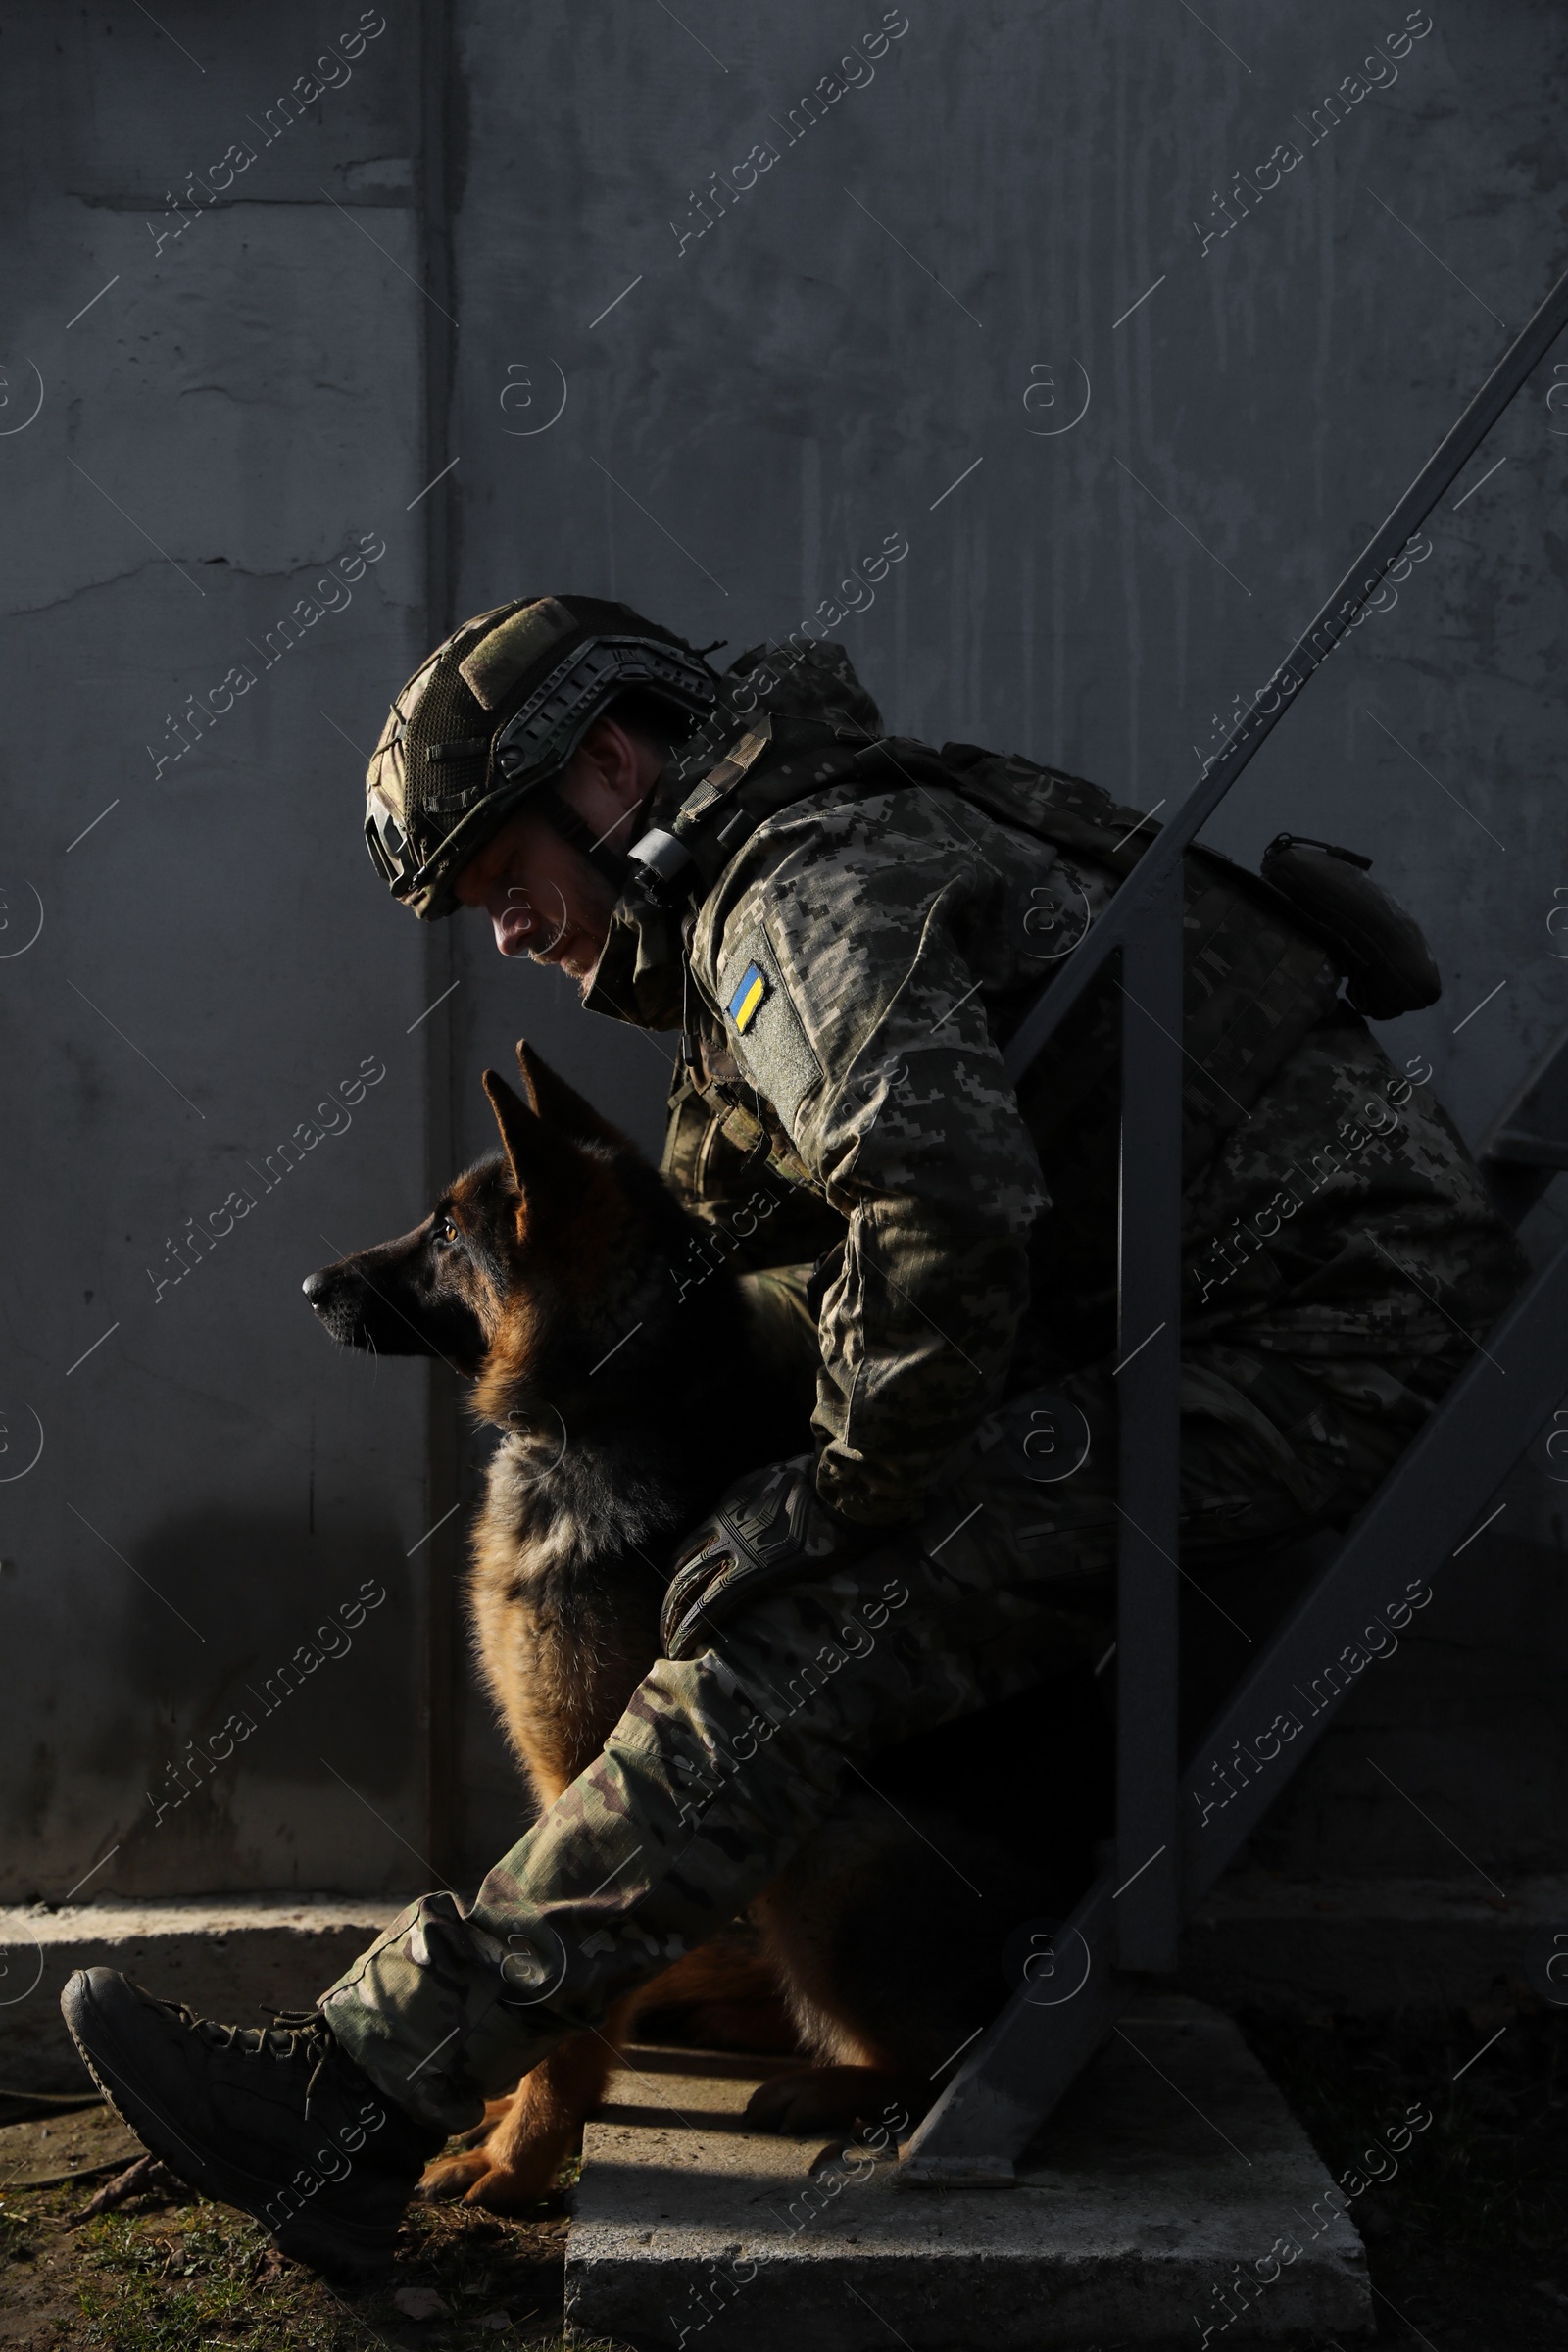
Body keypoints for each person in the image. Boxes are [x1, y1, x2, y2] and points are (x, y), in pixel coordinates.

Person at [62, 594, 1527, 2275]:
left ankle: (359, 2096)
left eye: (503, 877)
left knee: (802, 1619)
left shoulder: (801, 892)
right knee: (777, 1574)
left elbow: (941, 1204)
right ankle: (523, 2022)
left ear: (609, 768)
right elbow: (765, 1254)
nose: (509, 934)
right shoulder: (781, 865)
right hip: (1281, 1313)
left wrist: (838, 1494)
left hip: (1331, 1335)